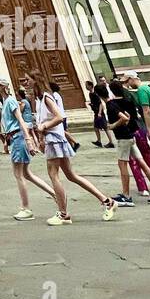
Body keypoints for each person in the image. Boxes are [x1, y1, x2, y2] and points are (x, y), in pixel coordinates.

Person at [32, 78, 116, 224]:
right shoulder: (40, 98)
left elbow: (59, 117)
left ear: (36, 81)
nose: (25, 83)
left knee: (54, 175)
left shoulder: (46, 97)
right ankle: (107, 201)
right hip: (54, 138)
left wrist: (44, 127)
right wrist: (40, 137)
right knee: (71, 175)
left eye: (27, 80)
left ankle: (63, 214)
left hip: (54, 140)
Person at [0, 75, 55, 220]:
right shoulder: (7, 101)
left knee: (19, 174)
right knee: (25, 173)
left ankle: (26, 208)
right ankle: (54, 194)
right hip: (14, 138)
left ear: (3, 86)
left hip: (18, 137)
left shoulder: (11, 101)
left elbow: (20, 120)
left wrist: (28, 139)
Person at [106, 79, 150, 204]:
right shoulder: (130, 99)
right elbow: (140, 112)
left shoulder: (113, 104)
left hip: (125, 135)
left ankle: (130, 194)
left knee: (128, 164)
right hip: (137, 130)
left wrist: (113, 126)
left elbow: (124, 118)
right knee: (146, 161)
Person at [87, 76, 115, 148]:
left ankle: (111, 142)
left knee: (105, 128)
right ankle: (99, 141)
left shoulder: (95, 94)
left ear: (90, 86)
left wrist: (99, 112)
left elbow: (100, 103)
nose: (86, 87)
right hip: (96, 112)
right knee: (96, 128)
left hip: (99, 113)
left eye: (87, 85)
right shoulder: (90, 94)